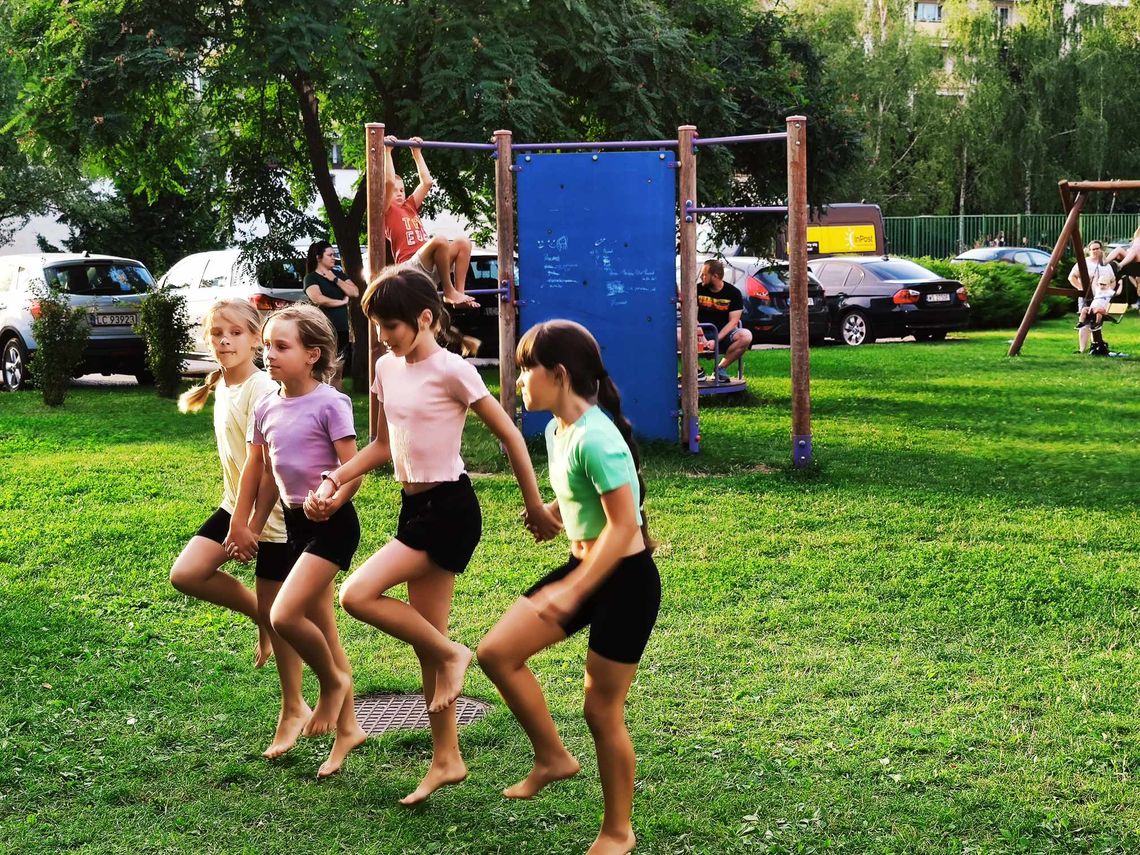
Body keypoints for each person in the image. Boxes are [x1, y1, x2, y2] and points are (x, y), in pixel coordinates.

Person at [310, 267, 559, 804]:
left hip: (450, 508)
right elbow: (380, 445)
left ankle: (454, 654)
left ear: (424, 318)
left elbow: (512, 435)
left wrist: (534, 502)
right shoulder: (384, 368)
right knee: (427, 642)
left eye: (392, 326)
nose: (382, 336)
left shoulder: (453, 371)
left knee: (358, 595)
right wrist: (334, 478)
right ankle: (446, 757)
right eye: (375, 325)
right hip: (412, 505)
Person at [477, 320, 661, 855]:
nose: (517, 383)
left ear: (557, 375)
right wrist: (555, 511)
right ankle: (552, 756)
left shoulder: (597, 437)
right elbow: (586, 495)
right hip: (582, 566)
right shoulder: (559, 430)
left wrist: (576, 588)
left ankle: (617, 832)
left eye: (524, 369)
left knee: (601, 710)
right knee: (496, 652)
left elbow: (625, 526)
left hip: (624, 583)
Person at [225, 303, 367, 778]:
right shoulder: (266, 405)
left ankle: (333, 683)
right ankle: (348, 730)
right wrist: (245, 522)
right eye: (267, 346)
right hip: (294, 524)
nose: (270, 355)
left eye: (281, 347)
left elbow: (353, 471)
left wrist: (333, 496)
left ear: (313, 354)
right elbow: (260, 473)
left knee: (284, 615)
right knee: (322, 625)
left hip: (334, 524)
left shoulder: (330, 402)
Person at [170, 299, 308, 759]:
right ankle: (259, 618)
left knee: (283, 620)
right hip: (235, 509)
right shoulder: (226, 386)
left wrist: (248, 524)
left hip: (273, 520)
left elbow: (269, 467)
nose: (224, 341)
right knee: (187, 573)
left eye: (234, 333)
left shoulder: (261, 388)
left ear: (254, 338)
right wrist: (238, 518)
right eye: (216, 334)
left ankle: (295, 708)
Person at [383, 135, 478, 308]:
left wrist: (417, 153)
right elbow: (388, 181)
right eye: (395, 191)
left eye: (402, 190)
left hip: (431, 265)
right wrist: (387, 151)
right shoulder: (387, 210)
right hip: (409, 268)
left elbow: (426, 182)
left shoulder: (409, 206)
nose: (399, 193)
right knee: (440, 240)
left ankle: (458, 294)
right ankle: (448, 291)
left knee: (464, 242)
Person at [303, 240, 359, 391]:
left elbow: (354, 291)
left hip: (342, 330)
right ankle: (318, 399)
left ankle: (336, 401)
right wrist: (341, 302)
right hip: (324, 330)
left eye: (334, 255)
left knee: (338, 369)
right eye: (330, 255)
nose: (333, 258)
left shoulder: (338, 274)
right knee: (322, 368)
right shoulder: (311, 278)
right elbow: (318, 298)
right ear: (318, 257)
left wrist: (334, 279)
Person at [695, 259, 752, 383]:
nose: (701, 276)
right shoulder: (697, 290)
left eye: (704, 274)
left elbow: (733, 322)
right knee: (677, 335)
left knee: (746, 335)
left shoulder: (733, 293)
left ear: (715, 276)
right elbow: (693, 317)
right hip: (700, 334)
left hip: (723, 335)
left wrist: (715, 340)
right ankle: (697, 371)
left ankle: (720, 369)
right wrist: (703, 338)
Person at [1070, 241, 1119, 334]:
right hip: (1086, 296)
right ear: (1089, 250)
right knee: (1084, 324)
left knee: (1096, 323)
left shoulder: (1106, 265)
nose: (1095, 251)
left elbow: (1113, 281)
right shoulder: (1083, 263)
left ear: (1101, 250)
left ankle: (1095, 344)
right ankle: (1082, 348)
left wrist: (1109, 292)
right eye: (1093, 249)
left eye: (1097, 248)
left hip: (1100, 299)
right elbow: (1071, 277)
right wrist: (1080, 288)